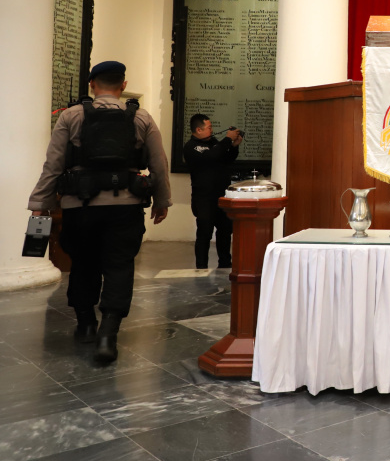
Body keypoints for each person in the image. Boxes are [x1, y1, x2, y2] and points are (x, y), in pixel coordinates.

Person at [28, 61, 171, 363]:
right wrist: (162, 200)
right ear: (123, 85)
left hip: (79, 206)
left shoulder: (71, 116)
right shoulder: (141, 117)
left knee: (83, 263)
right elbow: (158, 164)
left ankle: (86, 325)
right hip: (126, 207)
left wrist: (41, 203)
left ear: (92, 84)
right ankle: (108, 334)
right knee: (120, 266)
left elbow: (53, 165)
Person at [183, 114, 242, 269]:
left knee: (225, 231)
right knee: (204, 233)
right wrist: (227, 139)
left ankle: (225, 264)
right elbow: (211, 156)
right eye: (209, 127)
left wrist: (234, 146)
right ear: (199, 130)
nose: (212, 130)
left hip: (221, 196)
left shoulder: (213, 142)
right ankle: (201, 267)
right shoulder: (191, 147)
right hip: (204, 198)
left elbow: (226, 159)